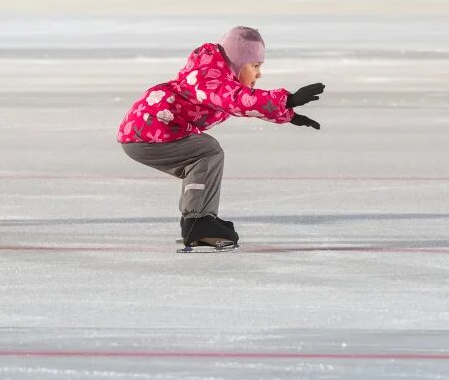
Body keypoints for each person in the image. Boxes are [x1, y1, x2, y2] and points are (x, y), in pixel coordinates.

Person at [118, 26, 324, 250]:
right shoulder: (211, 77)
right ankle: (197, 221)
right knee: (207, 152)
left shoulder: (216, 73)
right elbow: (236, 99)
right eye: (255, 66)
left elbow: (239, 102)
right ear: (238, 61)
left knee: (204, 154)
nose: (259, 74)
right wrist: (288, 100)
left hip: (151, 129)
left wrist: (288, 115)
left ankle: (201, 219)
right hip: (150, 130)